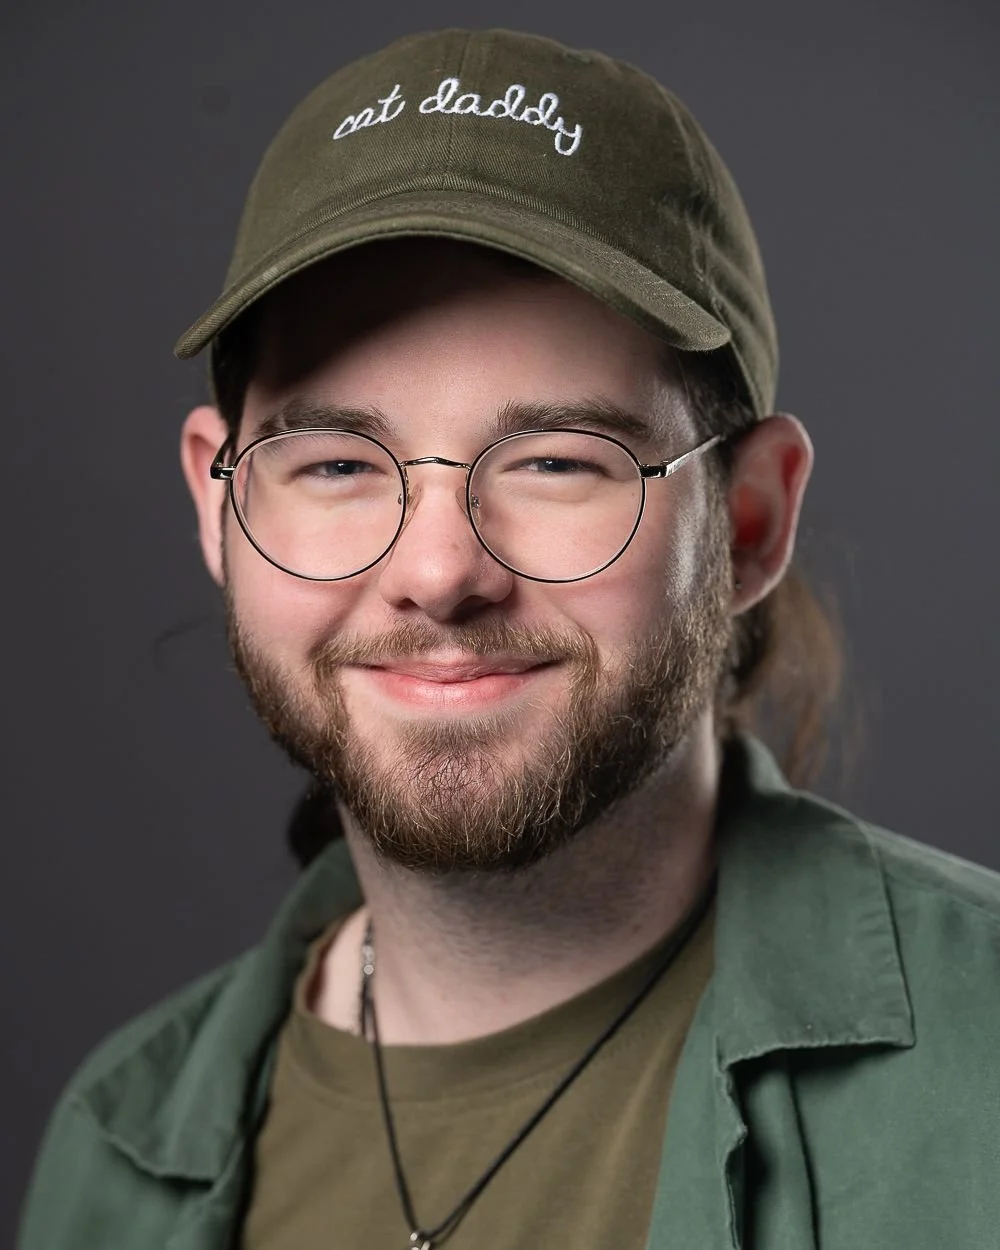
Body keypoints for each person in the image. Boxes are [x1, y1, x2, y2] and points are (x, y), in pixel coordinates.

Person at [17, 27, 1000, 1250]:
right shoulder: (116, 1153)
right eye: (333, 462)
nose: (437, 571)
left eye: (554, 461)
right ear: (220, 505)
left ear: (748, 521)